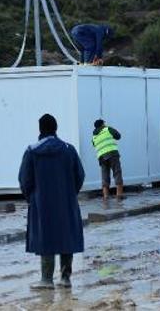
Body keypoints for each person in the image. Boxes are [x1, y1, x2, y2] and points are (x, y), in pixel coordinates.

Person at [19, 114, 85, 290]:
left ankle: (46, 279)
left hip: (41, 203)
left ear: (40, 129)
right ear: (56, 128)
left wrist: (32, 198)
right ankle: (65, 278)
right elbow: (80, 175)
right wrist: (70, 193)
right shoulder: (68, 149)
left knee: (45, 236)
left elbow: (25, 180)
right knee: (66, 236)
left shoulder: (32, 151)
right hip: (66, 201)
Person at [92, 119, 124, 201]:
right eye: (104, 123)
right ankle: (119, 195)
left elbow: (93, 144)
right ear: (102, 124)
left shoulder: (94, 136)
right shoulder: (107, 129)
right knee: (117, 173)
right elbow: (118, 136)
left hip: (102, 158)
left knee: (105, 176)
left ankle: (106, 197)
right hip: (112, 154)